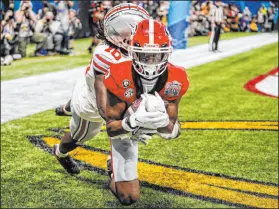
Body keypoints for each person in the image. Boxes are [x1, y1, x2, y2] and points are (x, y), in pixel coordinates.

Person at [53, 3, 150, 174]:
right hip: (94, 104)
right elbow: (103, 106)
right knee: (80, 137)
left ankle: (67, 107)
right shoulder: (106, 55)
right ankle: (59, 152)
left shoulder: (128, 47)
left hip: (112, 93)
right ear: (121, 34)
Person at [103, 19, 189, 205]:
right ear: (133, 52)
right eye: (145, 56)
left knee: (174, 132)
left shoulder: (177, 77)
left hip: (137, 121)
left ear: (167, 54)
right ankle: (113, 168)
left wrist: (160, 124)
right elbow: (111, 128)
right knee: (128, 197)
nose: (151, 62)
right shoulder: (118, 73)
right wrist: (131, 123)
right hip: (123, 122)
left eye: (156, 56)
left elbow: (170, 126)